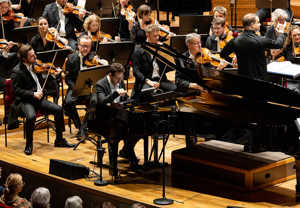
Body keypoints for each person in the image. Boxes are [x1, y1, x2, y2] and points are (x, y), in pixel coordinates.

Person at [10, 44, 74, 155]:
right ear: (24, 59)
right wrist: (32, 94)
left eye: (34, 54)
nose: (35, 57)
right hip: (26, 101)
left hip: (38, 99)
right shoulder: (17, 71)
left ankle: (59, 140)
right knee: (31, 116)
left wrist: (55, 75)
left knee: (58, 110)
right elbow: (17, 91)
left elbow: (46, 80)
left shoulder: (36, 66)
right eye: (32, 56)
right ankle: (29, 144)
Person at [95, 63, 139, 177]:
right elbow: (102, 102)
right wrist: (115, 93)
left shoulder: (120, 81)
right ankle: (113, 167)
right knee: (115, 134)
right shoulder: (101, 84)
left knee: (137, 128)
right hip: (105, 117)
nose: (120, 80)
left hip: (120, 113)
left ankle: (127, 149)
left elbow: (124, 99)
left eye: (121, 77)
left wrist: (127, 99)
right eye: (118, 78)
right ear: (110, 75)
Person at [64, 34, 108, 136]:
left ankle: (85, 126)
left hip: (90, 88)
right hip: (75, 87)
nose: (85, 49)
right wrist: (75, 87)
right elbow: (68, 78)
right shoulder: (71, 58)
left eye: (87, 46)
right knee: (68, 102)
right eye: (83, 46)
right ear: (78, 46)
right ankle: (79, 126)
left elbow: (101, 73)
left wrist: (102, 63)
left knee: (94, 100)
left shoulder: (94, 57)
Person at [220, 13, 285, 80]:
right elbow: (278, 44)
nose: (260, 24)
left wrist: (235, 56)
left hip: (243, 79)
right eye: (258, 22)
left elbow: (222, 54)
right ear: (252, 25)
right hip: (259, 80)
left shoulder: (235, 40)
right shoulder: (260, 40)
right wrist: (281, 32)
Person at [131, 24, 176, 98]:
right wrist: (148, 81)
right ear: (147, 35)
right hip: (146, 81)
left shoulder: (160, 47)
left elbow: (169, 68)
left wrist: (165, 53)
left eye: (158, 35)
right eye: (155, 36)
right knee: (149, 94)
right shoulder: (138, 49)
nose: (157, 38)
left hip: (160, 80)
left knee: (174, 89)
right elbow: (136, 71)